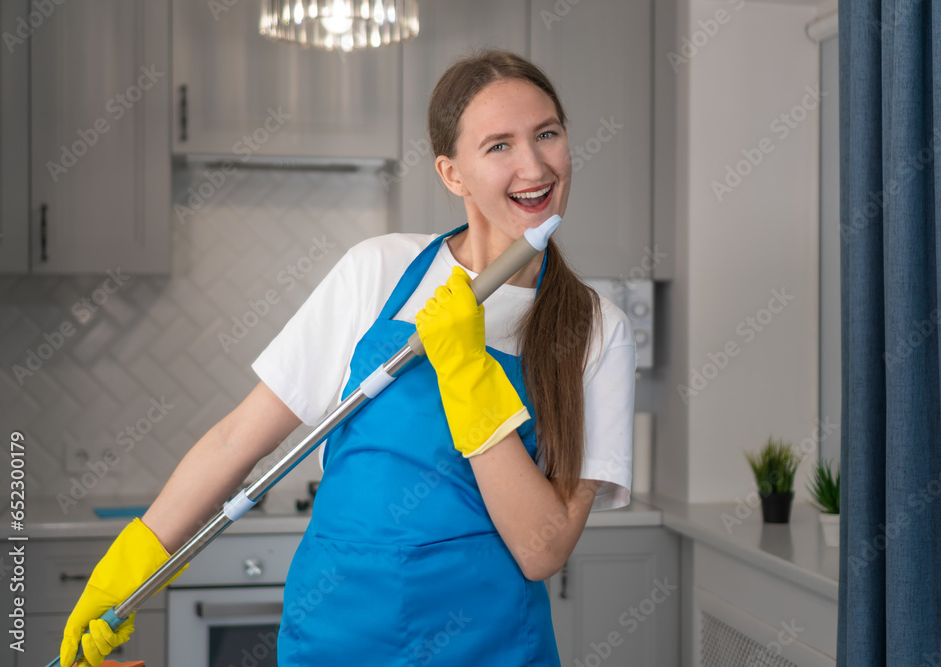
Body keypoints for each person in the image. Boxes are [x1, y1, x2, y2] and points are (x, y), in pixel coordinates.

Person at [58, 49, 636, 667]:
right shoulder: (380, 271)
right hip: (333, 637)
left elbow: (541, 550)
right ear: (452, 173)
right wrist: (126, 567)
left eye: (547, 133)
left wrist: (468, 369)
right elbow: (235, 443)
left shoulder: (598, 329)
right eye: (499, 145)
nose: (534, 164)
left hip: (489, 646)